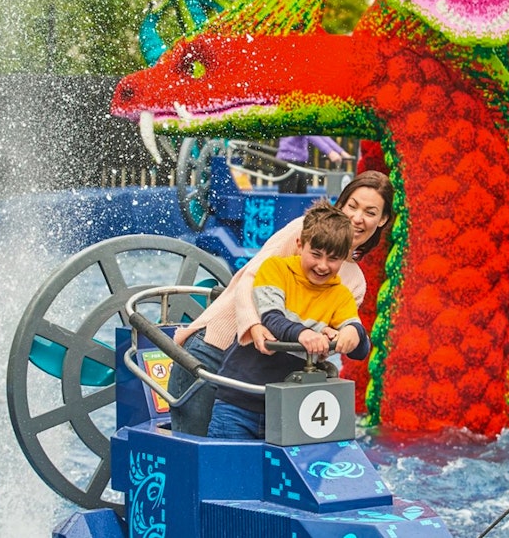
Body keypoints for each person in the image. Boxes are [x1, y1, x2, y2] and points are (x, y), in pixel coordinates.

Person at [166, 170, 394, 436]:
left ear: (382, 220)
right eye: (352, 205)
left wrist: (339, 334)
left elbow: (328, 339)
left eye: (370, 212)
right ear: (341, 203)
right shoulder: (304, 231)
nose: (357, 218)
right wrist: (253, 325)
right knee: (195, 455)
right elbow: (252, 279)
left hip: (262, 380)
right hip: (213, 350)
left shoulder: (354, 281)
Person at [206, 201, 371, 440]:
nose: (323, 265)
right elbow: (271, 318)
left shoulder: (340, 294)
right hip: (240, 399)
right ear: (300, 245)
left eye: (333, 258)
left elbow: (358, 343)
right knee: (225, 470)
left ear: (344, 258)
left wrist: (354, 334)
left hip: (290, 410)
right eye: (316, 254)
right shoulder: (275, 270)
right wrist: (305, 335)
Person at [275, 136, 353, 194]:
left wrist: (341, 152)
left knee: (301, 196)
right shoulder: (298, 116)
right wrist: (330, 152)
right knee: (288, 199)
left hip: (298, 165)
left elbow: (321, 135)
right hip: (288, 164)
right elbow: (312, 136)